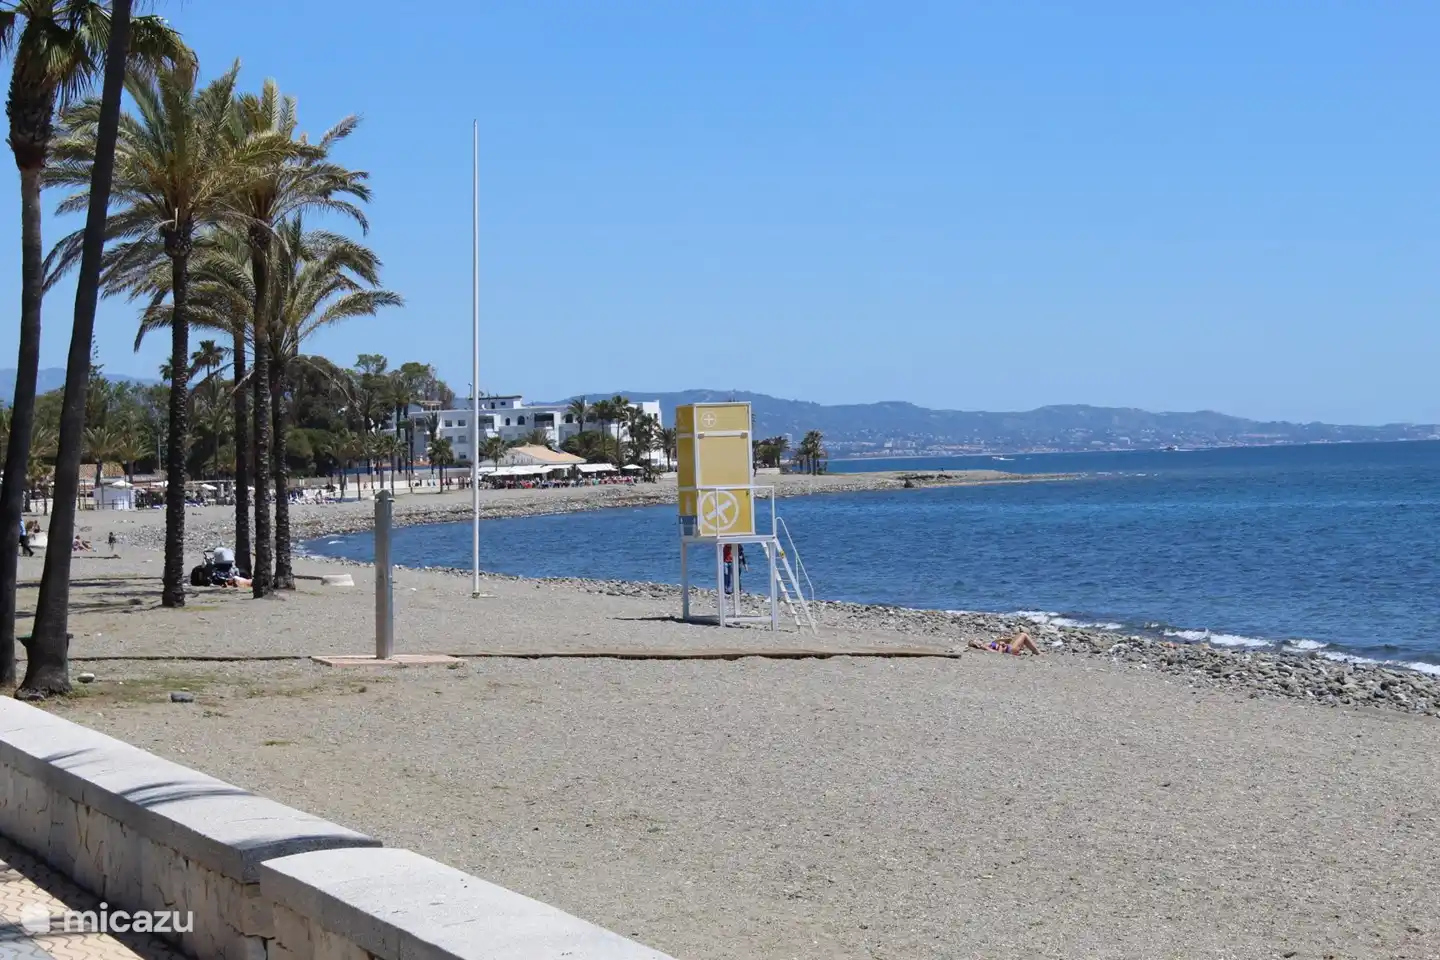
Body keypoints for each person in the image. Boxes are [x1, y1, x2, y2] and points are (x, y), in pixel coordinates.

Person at [969, 630, 1042, 656]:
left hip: (1009, 647)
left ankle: (1034, 651)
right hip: (1010, 649)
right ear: (977, 644)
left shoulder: (985, 645)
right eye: (976, 640)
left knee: (1020, 635)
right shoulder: (984, 647)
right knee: (1023, 635)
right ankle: (1036, 652)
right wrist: (1001, 645)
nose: (977, 639)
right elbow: (998, 654)